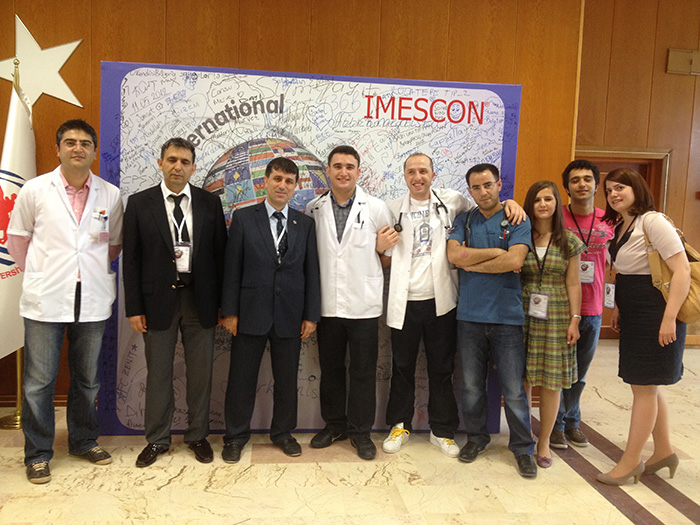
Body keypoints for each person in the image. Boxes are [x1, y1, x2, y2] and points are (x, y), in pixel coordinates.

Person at [382, 153, 525, 457]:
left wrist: (511, 202)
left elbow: (488, 205)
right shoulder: (391, 208)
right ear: (404, 176)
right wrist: (381, 248)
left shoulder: (454, 201)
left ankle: (442, 431)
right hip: (404, 302)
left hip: (442, 302)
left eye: (423, 171)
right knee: (402, 368)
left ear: (433, 175)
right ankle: (399, 425)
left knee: (442, 369)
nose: (418, 177)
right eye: (411, 172)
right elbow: (383, 253)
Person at [7, 119, 123, 484]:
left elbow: (113, 245)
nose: (78, 148)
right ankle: (38, 453)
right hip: (46, 296)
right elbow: (17, 240)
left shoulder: (110, 194)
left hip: (91, 297)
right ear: (58, 149)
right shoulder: (35, 189)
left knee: (87, 379)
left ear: (93, 152)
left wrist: (84, 269)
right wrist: (43, 272)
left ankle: (83, 441)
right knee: (38, 382)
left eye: (85, 143)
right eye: (70, 142)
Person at [122, 137, 227, 468]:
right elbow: (131, 260)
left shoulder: (210, 203)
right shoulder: (140, 203)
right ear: (161, 163)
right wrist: (134, 308)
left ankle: (197, 436)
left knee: (201, 373)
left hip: (201, 301)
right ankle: (157, 438)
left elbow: (220, 256)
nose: (177, 167)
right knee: (158, 373)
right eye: (172, 160)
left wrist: (223, 305)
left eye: (184, 162)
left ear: (193, 167)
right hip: (157, 302)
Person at [220, 157, 321, 463]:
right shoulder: (243, 218)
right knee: (241, 380)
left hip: (290, 315)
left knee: (287, 380)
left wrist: (311, 315)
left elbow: (311, 272)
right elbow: (232, 268)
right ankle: (235, 436)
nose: (282, 185)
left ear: (296, 186)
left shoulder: (305, 224)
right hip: (249, 313)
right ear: (265, 181)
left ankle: (283, 433)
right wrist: (230, 312)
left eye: (289, 181)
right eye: (277, 179)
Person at [597, 168, 690, 485]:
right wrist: (619, 308)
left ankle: (630, 461)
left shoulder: (653, 221)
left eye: (620, 188)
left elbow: (681, 270)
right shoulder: (622, 225)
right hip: (635, 312)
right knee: (645, 384)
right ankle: (663, 451)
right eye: (609, 190)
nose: (613, 194)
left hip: (656, 312)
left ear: (637, 188)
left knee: (644, 387)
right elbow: (627, 272)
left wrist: (669, 318)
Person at [447, 163, 538, 478]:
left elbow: (515, 259)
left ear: (499, 185)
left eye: (488, 185)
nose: (483, 192)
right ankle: (476, 439)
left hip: (507, 318)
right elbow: (454, 256)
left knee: (513, 390)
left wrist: (472, 262)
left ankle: (523, 449)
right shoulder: (464, 220)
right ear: (469, 191)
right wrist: (497, 253)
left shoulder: (517, 219)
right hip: (469, 317)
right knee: (472, 387)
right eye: (476, 187)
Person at [306, 145, 396, 460]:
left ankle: (360, 432)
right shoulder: (314, 209)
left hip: (364, 306)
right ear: (328, 171)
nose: (343, 172)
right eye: (337, 166)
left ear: (358, 171)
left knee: (363, 372)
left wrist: (379, 250)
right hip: (327, 305)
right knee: (330, 369)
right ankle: (334, 425)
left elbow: (389, 257)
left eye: (349, 167)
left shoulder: (376, 208)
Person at [520, 181, 584, 468]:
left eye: (548, 199)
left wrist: (575, 319)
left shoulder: (568, 241)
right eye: (537, 200)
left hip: (557, 315)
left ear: (557, 203)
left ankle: (544, 440)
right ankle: (522, 438)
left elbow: (573, 283)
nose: (543, 204)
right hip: (522, 313)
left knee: (551, 382)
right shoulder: (521, 236)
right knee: (521, 380)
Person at [552, 160, 614, 449]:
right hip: (560, 307)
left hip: (594, 308)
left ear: (596, 185)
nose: (582, 184)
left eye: (588, 179)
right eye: (575, 180)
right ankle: (555, 425)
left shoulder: (609, 220)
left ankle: (572, 421)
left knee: (580, 373)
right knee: (558, 370)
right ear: (566, 187)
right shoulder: (557, 218)